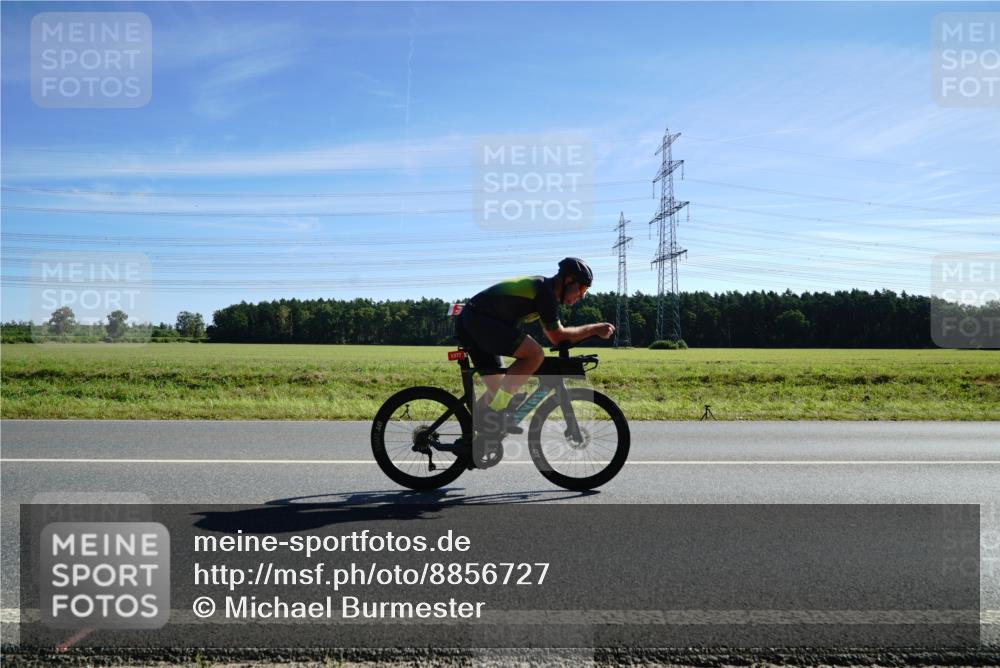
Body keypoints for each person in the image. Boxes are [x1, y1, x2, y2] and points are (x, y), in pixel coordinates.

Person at [455, 258, 615, 463]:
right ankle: (492, 416)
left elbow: (559, 334)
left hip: (476, 321)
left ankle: (476, 438)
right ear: (568, 280)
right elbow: (558, 336)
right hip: (479, 320)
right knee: (535, 355)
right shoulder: (545, 292)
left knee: (498, 392)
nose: (582, 295)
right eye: (582, 288)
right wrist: (594, 329)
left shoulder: (545, 292)